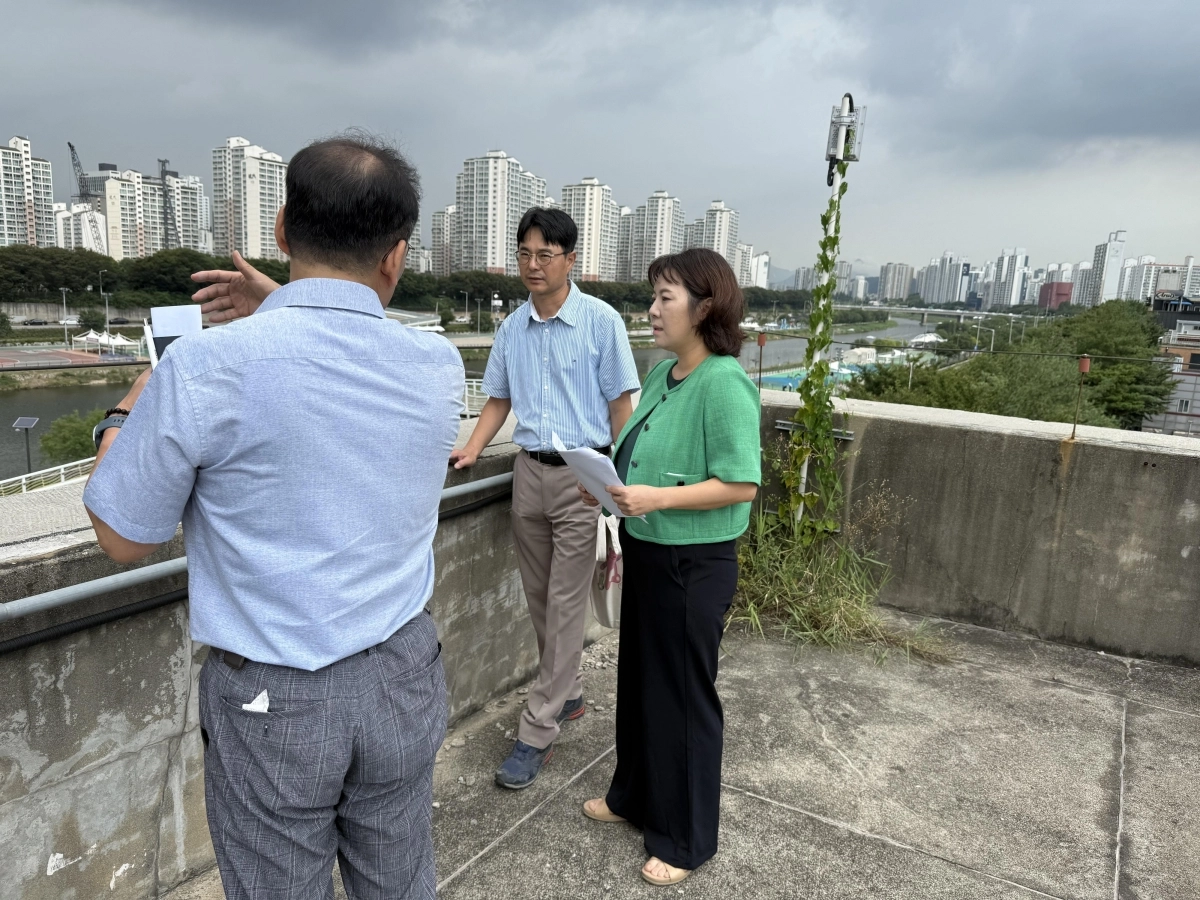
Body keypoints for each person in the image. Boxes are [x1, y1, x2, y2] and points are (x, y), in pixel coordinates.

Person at [83, 134, 463, 900]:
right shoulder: (437, 364)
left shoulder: (202, 369)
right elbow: (336, 365)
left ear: (283, 227)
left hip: (275, 700)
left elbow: (124, 537)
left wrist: (131, 405)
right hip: (404, 675)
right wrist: (283, 306)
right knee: (400, 883)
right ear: (397, 254)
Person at [578, 248, 761, 886]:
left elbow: (741, 484)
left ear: (704, 307)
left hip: (696, 560)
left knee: (684, 698)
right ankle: (633, 796)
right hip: (650, 550)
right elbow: (638, 452)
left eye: (666, 298)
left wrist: (655, 498)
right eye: (653, 296)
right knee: (640, 684)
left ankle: (686, 838)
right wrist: (608, 486)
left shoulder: (724, 380)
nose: (652, 310)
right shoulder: (663, 373)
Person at [451, 207, 641, 789]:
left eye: (545, 255)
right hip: (528, 476)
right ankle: (572, 693)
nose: (533, 266)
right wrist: (471, 451)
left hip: (581, 480)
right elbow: (498, 402)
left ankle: (537, 729)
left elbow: (622, 407)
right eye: (525, 254)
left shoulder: (601, 322)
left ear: (570, 260)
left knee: (563, 604)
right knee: (540, 599)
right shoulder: (512, 328)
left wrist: (611, 479)